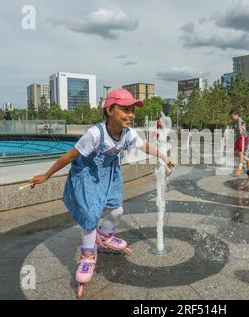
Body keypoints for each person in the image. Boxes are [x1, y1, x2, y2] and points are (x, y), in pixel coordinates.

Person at [28, 88, 174, 297]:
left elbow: (145, 145)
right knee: (89, 217)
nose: (131, 115)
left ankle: (103, 237)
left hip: (110, 174)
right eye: (125, 109)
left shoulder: (128, 133)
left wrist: (163, 157)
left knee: (117, 211)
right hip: (87, 175)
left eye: (132, 110)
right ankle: (88, 256)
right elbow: (69, 157)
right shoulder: (95, 134)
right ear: (110, 110)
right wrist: (46, 175)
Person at [229, 109, 249, 176]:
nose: (231, 117)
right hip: (238, 138)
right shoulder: (233, 121)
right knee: (235, 152)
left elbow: (239, 125)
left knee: (241, 152)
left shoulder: (239, 119)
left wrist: (241, 131)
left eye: (232, 116)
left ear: (236, 115)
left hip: (243, 137)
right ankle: (247, 159)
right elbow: (231, 128)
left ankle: (240, 169)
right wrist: (227, 135)